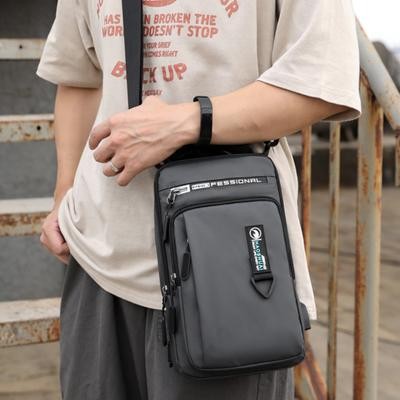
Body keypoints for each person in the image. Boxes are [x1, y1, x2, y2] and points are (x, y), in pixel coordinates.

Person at [37, 0, 361, 399]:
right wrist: (63, 193)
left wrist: (187, 121)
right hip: (96, 259)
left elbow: (321, 82)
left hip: (226, 262)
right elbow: (80, 76)